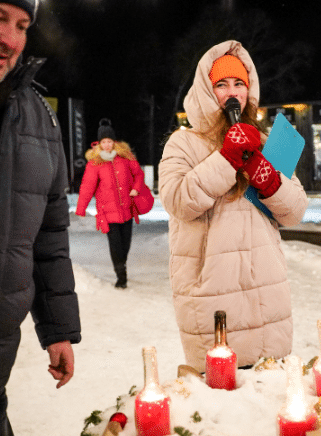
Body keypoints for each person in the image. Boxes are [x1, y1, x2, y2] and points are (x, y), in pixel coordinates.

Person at [159, 40, 308, 372]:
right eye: (221, 84)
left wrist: (266, 176)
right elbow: (180, 201)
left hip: (267, 300)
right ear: (206, 91)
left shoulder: (269, 142)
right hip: (212, 298)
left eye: (239, 83)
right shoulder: (183, 142)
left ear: (249, 89)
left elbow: (295, 211)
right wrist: (226, 159)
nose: (232, 91)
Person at [0, 1, 81, 436]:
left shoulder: (36, 114)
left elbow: (50, 232)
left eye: (21, 26)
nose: (9, 38)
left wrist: (57, 328)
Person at [76, 119, 146, 288]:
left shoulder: (125, 158)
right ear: (99, 144)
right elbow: (87, 187)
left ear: (114, 142)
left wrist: (136, 189)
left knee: (125, 246)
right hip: (108, 212)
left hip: (127, 210)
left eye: (109, 141)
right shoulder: (95, 164)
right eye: (103, 142)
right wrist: (81, 208)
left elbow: (139, 175)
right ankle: (121, 276)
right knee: (115, 245)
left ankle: (121, 265)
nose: (107, 145)